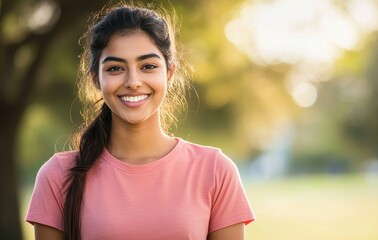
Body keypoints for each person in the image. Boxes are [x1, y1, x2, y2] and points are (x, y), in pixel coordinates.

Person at [25, 3, 255, 240]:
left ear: (169, 74)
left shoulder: (215, 171)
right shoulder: (58, 176)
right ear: (96, 78)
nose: (133, 81)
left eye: (148, 66)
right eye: (115, 68)